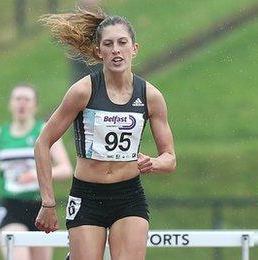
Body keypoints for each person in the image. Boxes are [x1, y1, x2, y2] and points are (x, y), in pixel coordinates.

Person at [36, 8, 176, 260]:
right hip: (87, 195)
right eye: (108, 44)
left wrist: (153, 162)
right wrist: (47, 202)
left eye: (122, 43)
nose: (116, 50)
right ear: (99, 51)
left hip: (128, 196)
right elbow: (43, 143)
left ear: (134, 48)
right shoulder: (82, 91)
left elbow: (170, 158)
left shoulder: (150, 96)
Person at [0, 84, 73, 260]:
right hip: (12, 207)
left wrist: (36, 175)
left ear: (35, 105)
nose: (22, 104)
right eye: (18, 99)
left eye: (27, 100)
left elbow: (66, 168)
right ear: (10, 104)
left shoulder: (44, 131)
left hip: (41, 207)